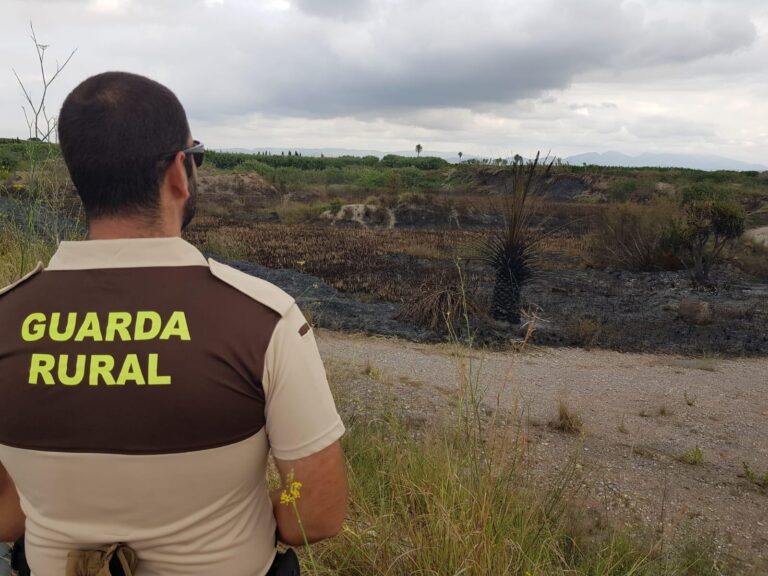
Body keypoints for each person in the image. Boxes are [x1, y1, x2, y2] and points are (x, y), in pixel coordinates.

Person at [0, 71, 347, 576]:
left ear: (82, 180)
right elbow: (314, 511)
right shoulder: (263, 318)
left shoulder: (7, 316)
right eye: (196, 155)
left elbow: (8, 519)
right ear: (179, 173)